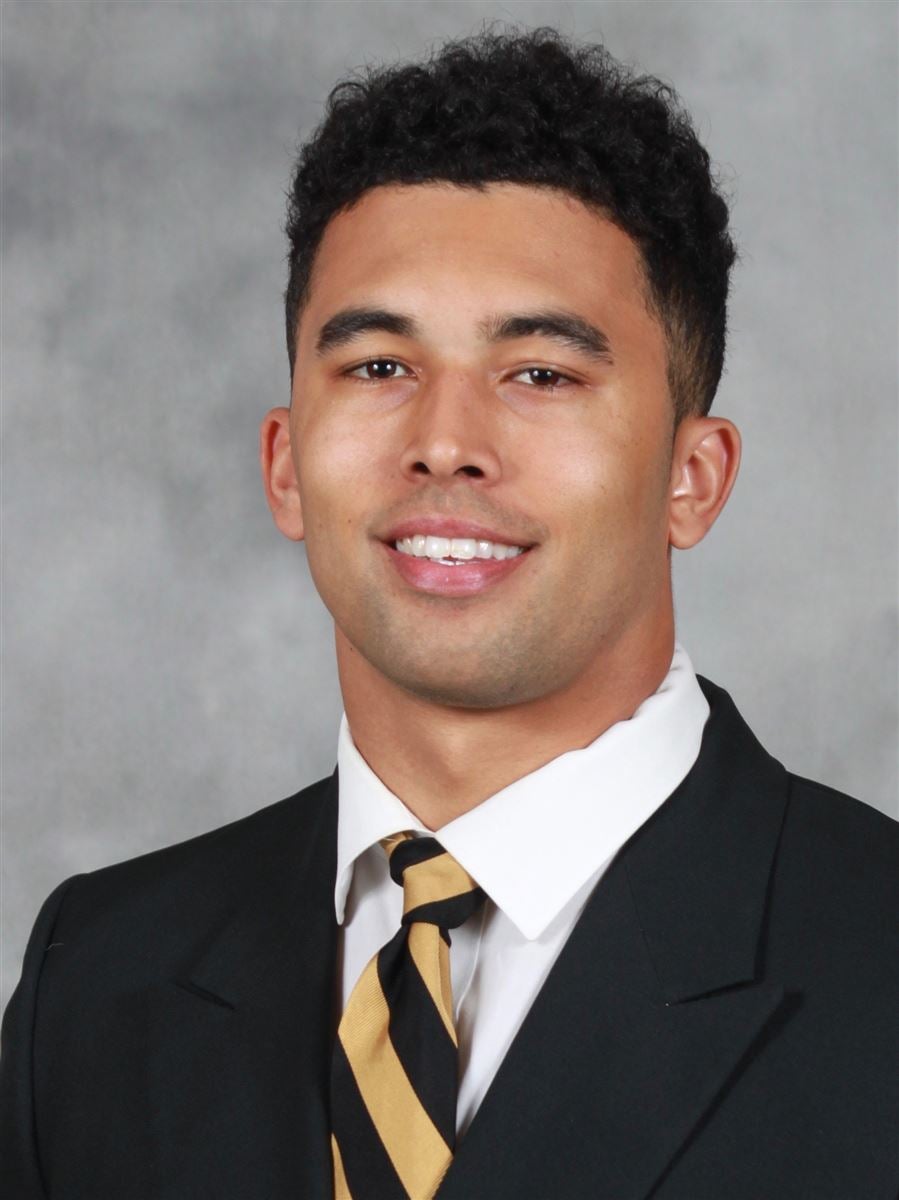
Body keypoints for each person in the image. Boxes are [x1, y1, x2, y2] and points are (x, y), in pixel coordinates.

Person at [2, 24, 897, 1200]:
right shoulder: (100, 973)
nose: (443, 444)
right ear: (283, 464)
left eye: (540, 374)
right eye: (377, 366)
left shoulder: (874, 962)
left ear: (692, 478)